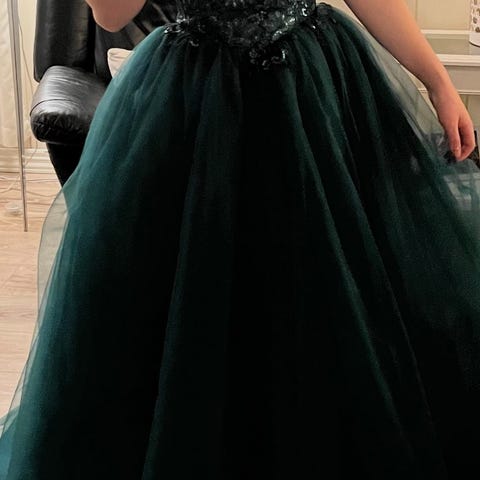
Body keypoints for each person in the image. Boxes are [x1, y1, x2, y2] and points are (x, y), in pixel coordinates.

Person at [1, 0, 479, 478]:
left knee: (329, 309)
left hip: (308, 98)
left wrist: (437, 80)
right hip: (195, 110)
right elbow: (110, 16)